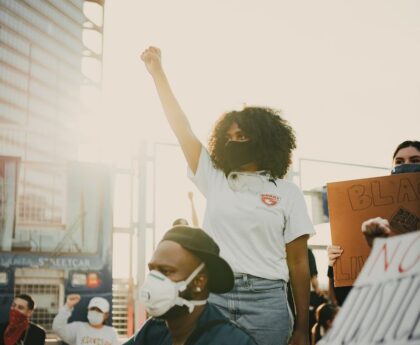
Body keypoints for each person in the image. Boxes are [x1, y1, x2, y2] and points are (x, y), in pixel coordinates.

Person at [141, 46, 314, 345]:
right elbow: (181, 127)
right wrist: (158, 73)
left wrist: (302, 327)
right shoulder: (215, 178)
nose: (235, 142)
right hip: (217, 296)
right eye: (230, 137)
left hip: (267, 301)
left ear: (264, 140)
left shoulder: (287, 193)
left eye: (243, 136)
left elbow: (298, 263)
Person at [124, 225, 258, 345]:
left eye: (166, 271)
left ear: (198, 282)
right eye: (152, 270)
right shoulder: (153, 330)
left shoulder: (232, 341)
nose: (153, 280)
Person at [327, 139, 420, 305]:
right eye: (399, 162)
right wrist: (336, 265)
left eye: (415, 161)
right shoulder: (372, 219)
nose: (405, 165)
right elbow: (344, 299)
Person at [52, 294, 120, 345]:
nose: (95, 312)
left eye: (99, 311)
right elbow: (57, 328)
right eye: (92, 309)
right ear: (88, 310)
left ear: (106, 315)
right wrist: (68, 306)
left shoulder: (111, 332)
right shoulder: (78, 327)